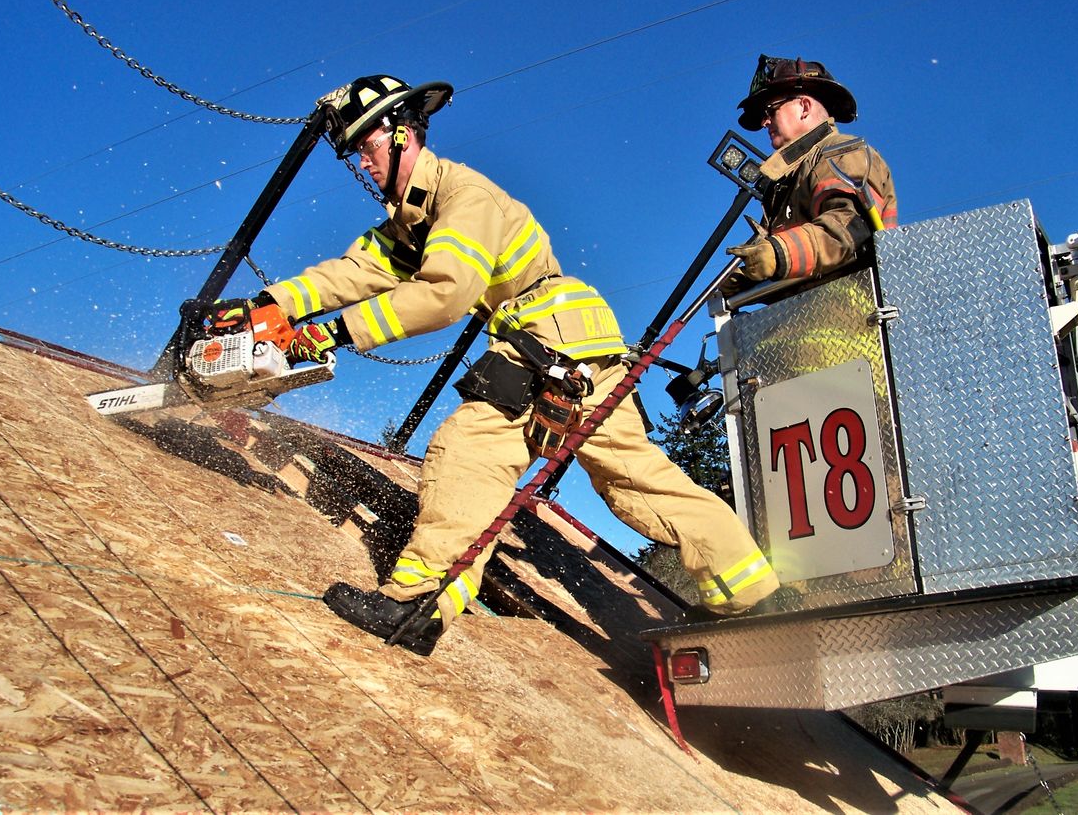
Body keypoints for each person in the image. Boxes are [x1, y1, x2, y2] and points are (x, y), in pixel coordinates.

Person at [247, 74, 780, 655]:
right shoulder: (416, 216)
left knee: (469, 451)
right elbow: (356, 271)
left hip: (546, 341)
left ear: (403, 135)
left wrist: (330, 332)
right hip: (576, 339)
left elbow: (446, 293)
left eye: (368, 146)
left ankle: (418, 604)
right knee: (634, 478)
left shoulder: (464, 198)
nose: (363, 163)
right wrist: (266, 305)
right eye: (355, 153)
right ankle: (750, 595)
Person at [721, 56, 897, 296]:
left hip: (853, 309)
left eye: (770, 110)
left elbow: (850, 227)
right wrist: (747, 278)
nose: (764, 122)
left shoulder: (840, 153)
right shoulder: (788, 179)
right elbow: (794, 264)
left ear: (804, 107)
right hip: (809, 310)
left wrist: (778, 253)